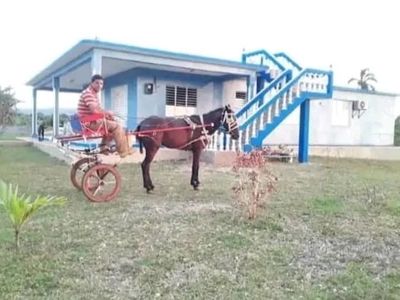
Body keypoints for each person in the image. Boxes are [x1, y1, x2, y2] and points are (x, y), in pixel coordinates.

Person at [77, 74, 133, 158]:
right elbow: (95, 111)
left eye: (101, 84)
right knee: (117, 126)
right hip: (88, 122)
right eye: (97, 83)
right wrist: (107, 113)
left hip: (90, 120)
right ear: (91, 83)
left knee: (112, 122)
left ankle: (104, 149)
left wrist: (108, 115)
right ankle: (123, 151)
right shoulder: (88, 93)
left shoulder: (93, 94)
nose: (99, 86)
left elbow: (98, 109)